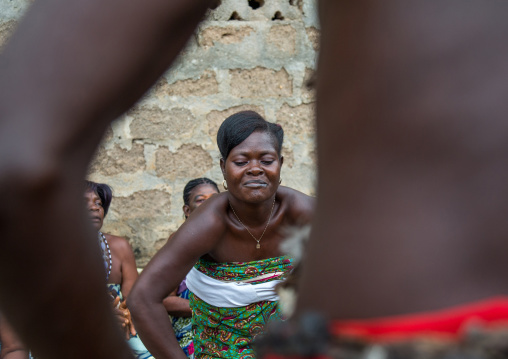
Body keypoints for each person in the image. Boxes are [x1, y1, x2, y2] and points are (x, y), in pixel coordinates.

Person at [128, 111, 314, 359]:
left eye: (267, 161)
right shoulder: (210, 223)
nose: (255, 169)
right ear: (223, 167)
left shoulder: (303, 213)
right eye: (241, 162)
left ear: (280, 164)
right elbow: (142, 298)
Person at [84, 180, 153, 359]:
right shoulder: (51, 252)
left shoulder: (119, 247)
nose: (94, 208)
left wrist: (124, 313)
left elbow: (132, 299)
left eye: (98, 203)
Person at [163, 177, 220, 359]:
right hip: (192, 327)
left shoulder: (236, 239)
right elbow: (165, 299)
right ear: (187, 210)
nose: (209, 204)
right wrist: (211, 310)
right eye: (201, 200)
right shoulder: (178, 242)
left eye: (214, 198)